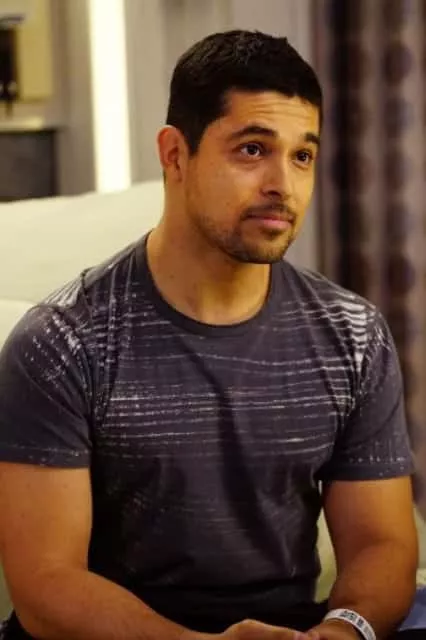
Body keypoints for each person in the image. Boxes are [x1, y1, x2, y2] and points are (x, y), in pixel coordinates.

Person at [0, 29, 420, 640]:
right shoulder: (62, 342)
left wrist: (342, 631)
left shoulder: (353, 334)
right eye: (253, 149)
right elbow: (47, 585)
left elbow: (382, 544)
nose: (283, 184)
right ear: (175, 154)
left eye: (302, 156)